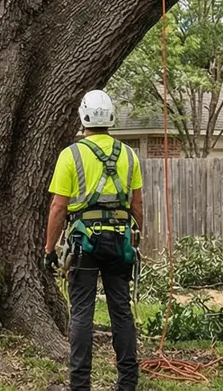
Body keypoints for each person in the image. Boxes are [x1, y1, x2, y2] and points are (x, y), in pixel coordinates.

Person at [44, 89, 142, 391]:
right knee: (121, 310)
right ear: (110, 117)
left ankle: (80, 384)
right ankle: (128, 383)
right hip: (121, 241)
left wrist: (49, 249)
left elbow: (58, 207)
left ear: (83, 117)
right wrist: (136, 240)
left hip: (83, 243)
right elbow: (137, 205)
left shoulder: (70, 155)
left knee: (82, 313)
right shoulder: (129, 155)